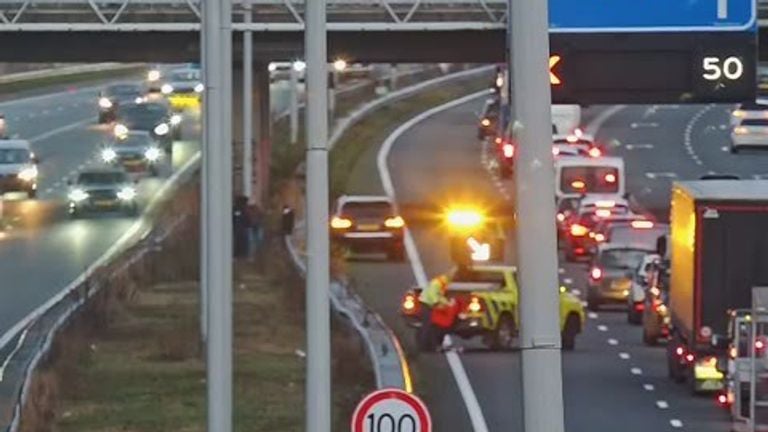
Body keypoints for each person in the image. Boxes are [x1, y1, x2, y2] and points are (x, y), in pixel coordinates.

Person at [417, 274, 454, 351]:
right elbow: (435, 297)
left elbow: (439, 296)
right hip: (426, 304)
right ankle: (424, 346)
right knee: (427, 326)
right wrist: (444, 304)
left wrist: (446, 303)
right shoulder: (436, 284)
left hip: (428, 304)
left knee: (431, 326)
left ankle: (431, 345)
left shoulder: (438, 284)